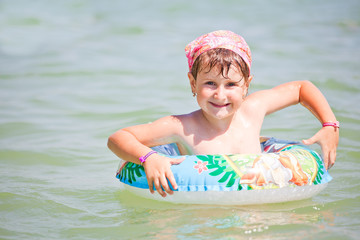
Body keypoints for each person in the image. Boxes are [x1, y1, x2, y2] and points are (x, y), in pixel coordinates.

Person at [108, 30, 339, 198]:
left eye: (231, 85)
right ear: (192, 83)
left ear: (247, 85)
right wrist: (149, 158)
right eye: (210, 83)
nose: (220, 95)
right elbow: (119, 138)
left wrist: (329, 125)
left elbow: (301, 88)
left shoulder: (253, 109)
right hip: (205, 215)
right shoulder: (182, 127)